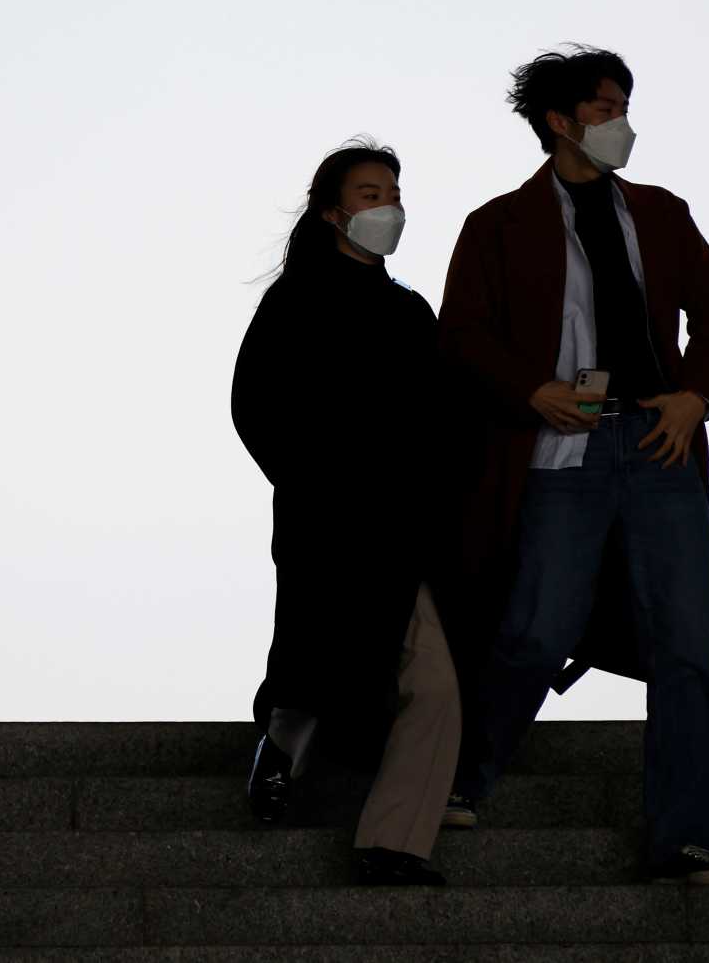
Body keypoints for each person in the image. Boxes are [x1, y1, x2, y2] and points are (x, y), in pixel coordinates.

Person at [438, 44, 709, 885]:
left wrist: (695, 396)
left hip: (658, 443)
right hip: (561, 450)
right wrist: (530, 389)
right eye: (606, 110)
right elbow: (461, 335)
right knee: (536, 628)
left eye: (624, 109)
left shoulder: (661, 211)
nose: (622, 124)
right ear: (560, 121)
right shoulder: (498, 225)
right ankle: (460, 776)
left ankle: (688, 839)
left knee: (688, 642)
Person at [231, 138, 461, 887]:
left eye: (393, 193)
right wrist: (314, 486)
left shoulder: (410, 312)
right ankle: (279, 749)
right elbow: (254, 406)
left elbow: (442, 420)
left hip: (403, 534)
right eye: (370, 194)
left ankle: (394, 841)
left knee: (432, 682)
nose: (388, 206)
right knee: (314, 665)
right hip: (326, 527)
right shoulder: (294, 301)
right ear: (332, 212)